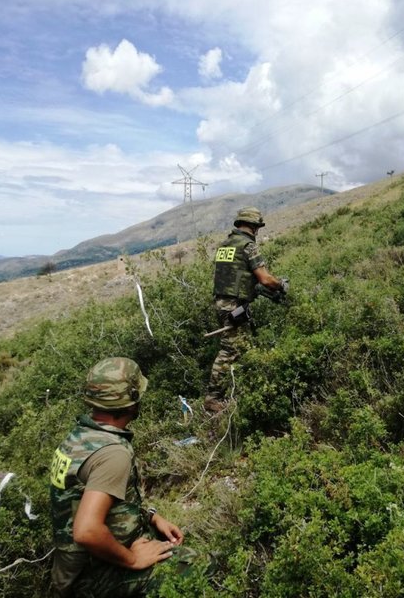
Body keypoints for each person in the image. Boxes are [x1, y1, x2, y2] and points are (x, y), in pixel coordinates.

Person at [49, 357, 199, 597]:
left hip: (73, 568)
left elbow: (83, 504)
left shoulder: (80, 437)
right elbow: (86, 530)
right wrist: (132, 560)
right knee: (198, 565)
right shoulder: (113, 454)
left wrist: (151, 517)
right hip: (92, 578)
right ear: (130, 399)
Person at [204, 206, 287, 414]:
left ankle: (238, 390)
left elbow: (236, 276)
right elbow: (265, 278)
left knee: (244, 345)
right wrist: (280, 285)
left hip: (222, 303)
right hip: (234, 306)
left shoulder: (226, 245)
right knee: (230, 350)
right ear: (254, 226)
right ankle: (213, 399)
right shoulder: (248, 246)